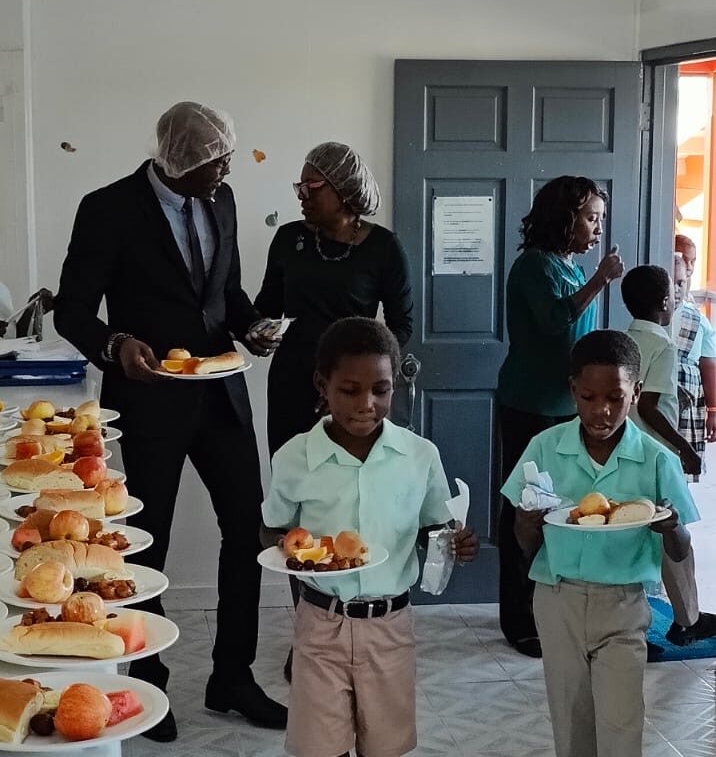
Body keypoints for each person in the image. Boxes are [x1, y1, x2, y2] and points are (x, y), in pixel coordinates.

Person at [53, 101, 285, 742]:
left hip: (223, 395)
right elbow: (72, 311)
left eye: (228, 159)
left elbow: (226, 295)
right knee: (145, 543)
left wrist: (252, 327)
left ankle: (232, 677)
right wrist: (116, 344)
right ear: (178, 161)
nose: (226, 170)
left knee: (247, 531)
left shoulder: (222, 199)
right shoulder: (107, 208)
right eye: (217, 161)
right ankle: (146, 679)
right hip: (149, 401)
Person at [261, 317, 477, 757]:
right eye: (349, 390)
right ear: (322, 385)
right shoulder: (295, 457)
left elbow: (434, 528)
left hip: (390, 626)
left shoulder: (419, 456)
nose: (366, 404)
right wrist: (285, 545)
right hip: (320, 622)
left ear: (395, 384)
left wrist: (454, 542)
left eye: (381, 390)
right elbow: (272, 527)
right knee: (320, 748)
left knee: (385, 746)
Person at [505, 330, 698, 757]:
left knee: (621, 721)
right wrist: (526, 523)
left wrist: (672, 527)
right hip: (559, 598)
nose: (602, 410)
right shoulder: (544, 448)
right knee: (570, 717)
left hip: (624, 603)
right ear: (573, 391)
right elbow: (525, 543)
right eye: (588, 397)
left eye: (615, 397)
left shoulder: (657, 459)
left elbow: (680, 548)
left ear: (636, 393)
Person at [496, 175, 624, 657]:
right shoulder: (534, 265)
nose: (598, 229)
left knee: (564, 507)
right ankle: (517, 618)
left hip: (569, 406)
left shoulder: (571, 266)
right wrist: (600, 280)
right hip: (530, 404)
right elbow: (554, 320)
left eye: (600, 219)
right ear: (565, 218)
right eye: (591, 218)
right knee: (524, 506)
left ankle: (551, 610)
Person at [253, 141, 413, 457]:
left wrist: (364, 381)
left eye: (311, 186)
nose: (301, 195)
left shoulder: (384, 248)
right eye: (299, 187)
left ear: (343, 190)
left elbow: (402, 325)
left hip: (352, 387)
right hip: (292, 382)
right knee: (291, 472)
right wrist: (256, 330)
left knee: (348, 477)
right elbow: (266, 308)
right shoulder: (288, 239)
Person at [622, 265, 716, 651]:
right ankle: (686, 620)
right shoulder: (663, 345)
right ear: (666, 301)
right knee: (675, 538)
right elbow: (649, 405)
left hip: (626, 450)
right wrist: (685, 448)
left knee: (636, 538)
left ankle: (675, 618)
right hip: (656, 456)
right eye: (674, 293)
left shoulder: (625, 340)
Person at [673, 239, 716, 478]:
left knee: (684, 465)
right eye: (683, 258)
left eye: (693, 261)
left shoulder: (697, 316)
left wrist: (713, 408)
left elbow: (708, 363)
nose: (688, 266)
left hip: (689, 398)